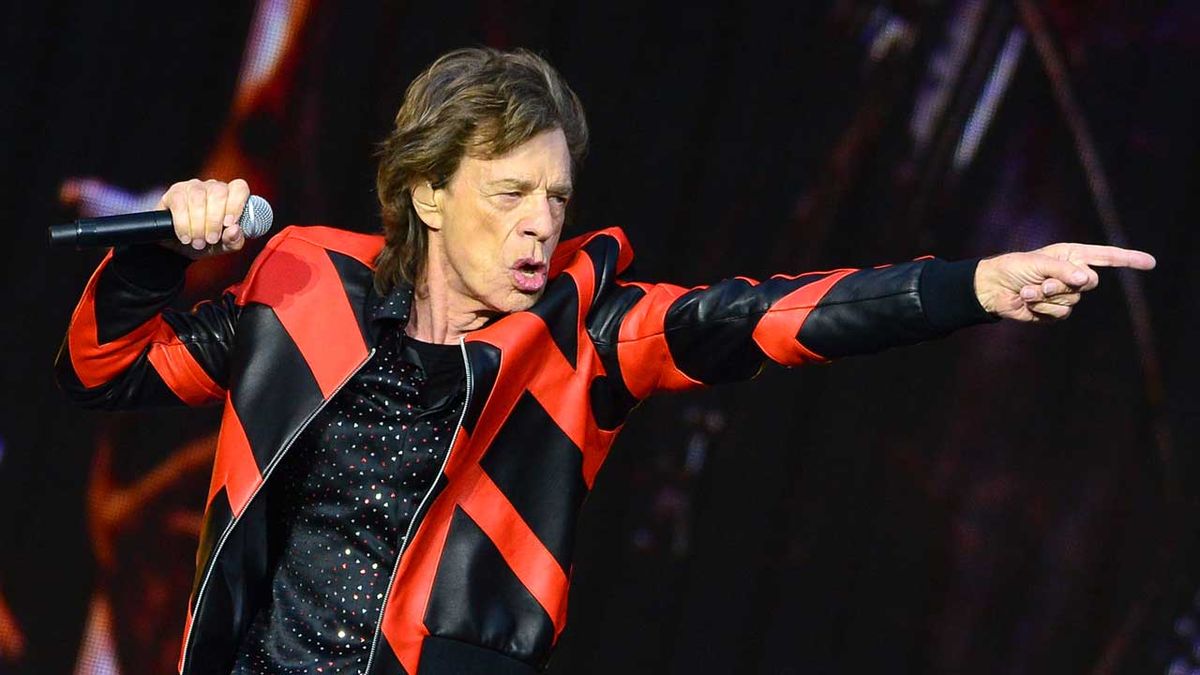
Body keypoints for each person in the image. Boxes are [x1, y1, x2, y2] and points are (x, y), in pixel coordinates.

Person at [55, 47, 1156, 675]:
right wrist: (157, 246)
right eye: (510, 194)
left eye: (557, 198)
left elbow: (776, 317)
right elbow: (105, 371)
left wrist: (974, 286)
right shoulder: (301, 290)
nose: (542, 225)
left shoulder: (582, 339)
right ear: (430, 194)